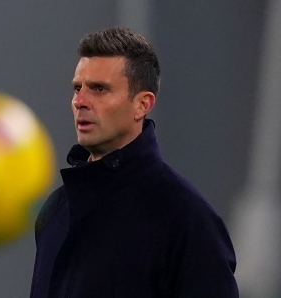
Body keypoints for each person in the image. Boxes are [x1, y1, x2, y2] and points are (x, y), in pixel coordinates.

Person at [29, 27, 238, 298]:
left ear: (142, 105)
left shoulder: (186, 219)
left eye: (99, 89)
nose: (80, 101)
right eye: (77, 88)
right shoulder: (55, 210)